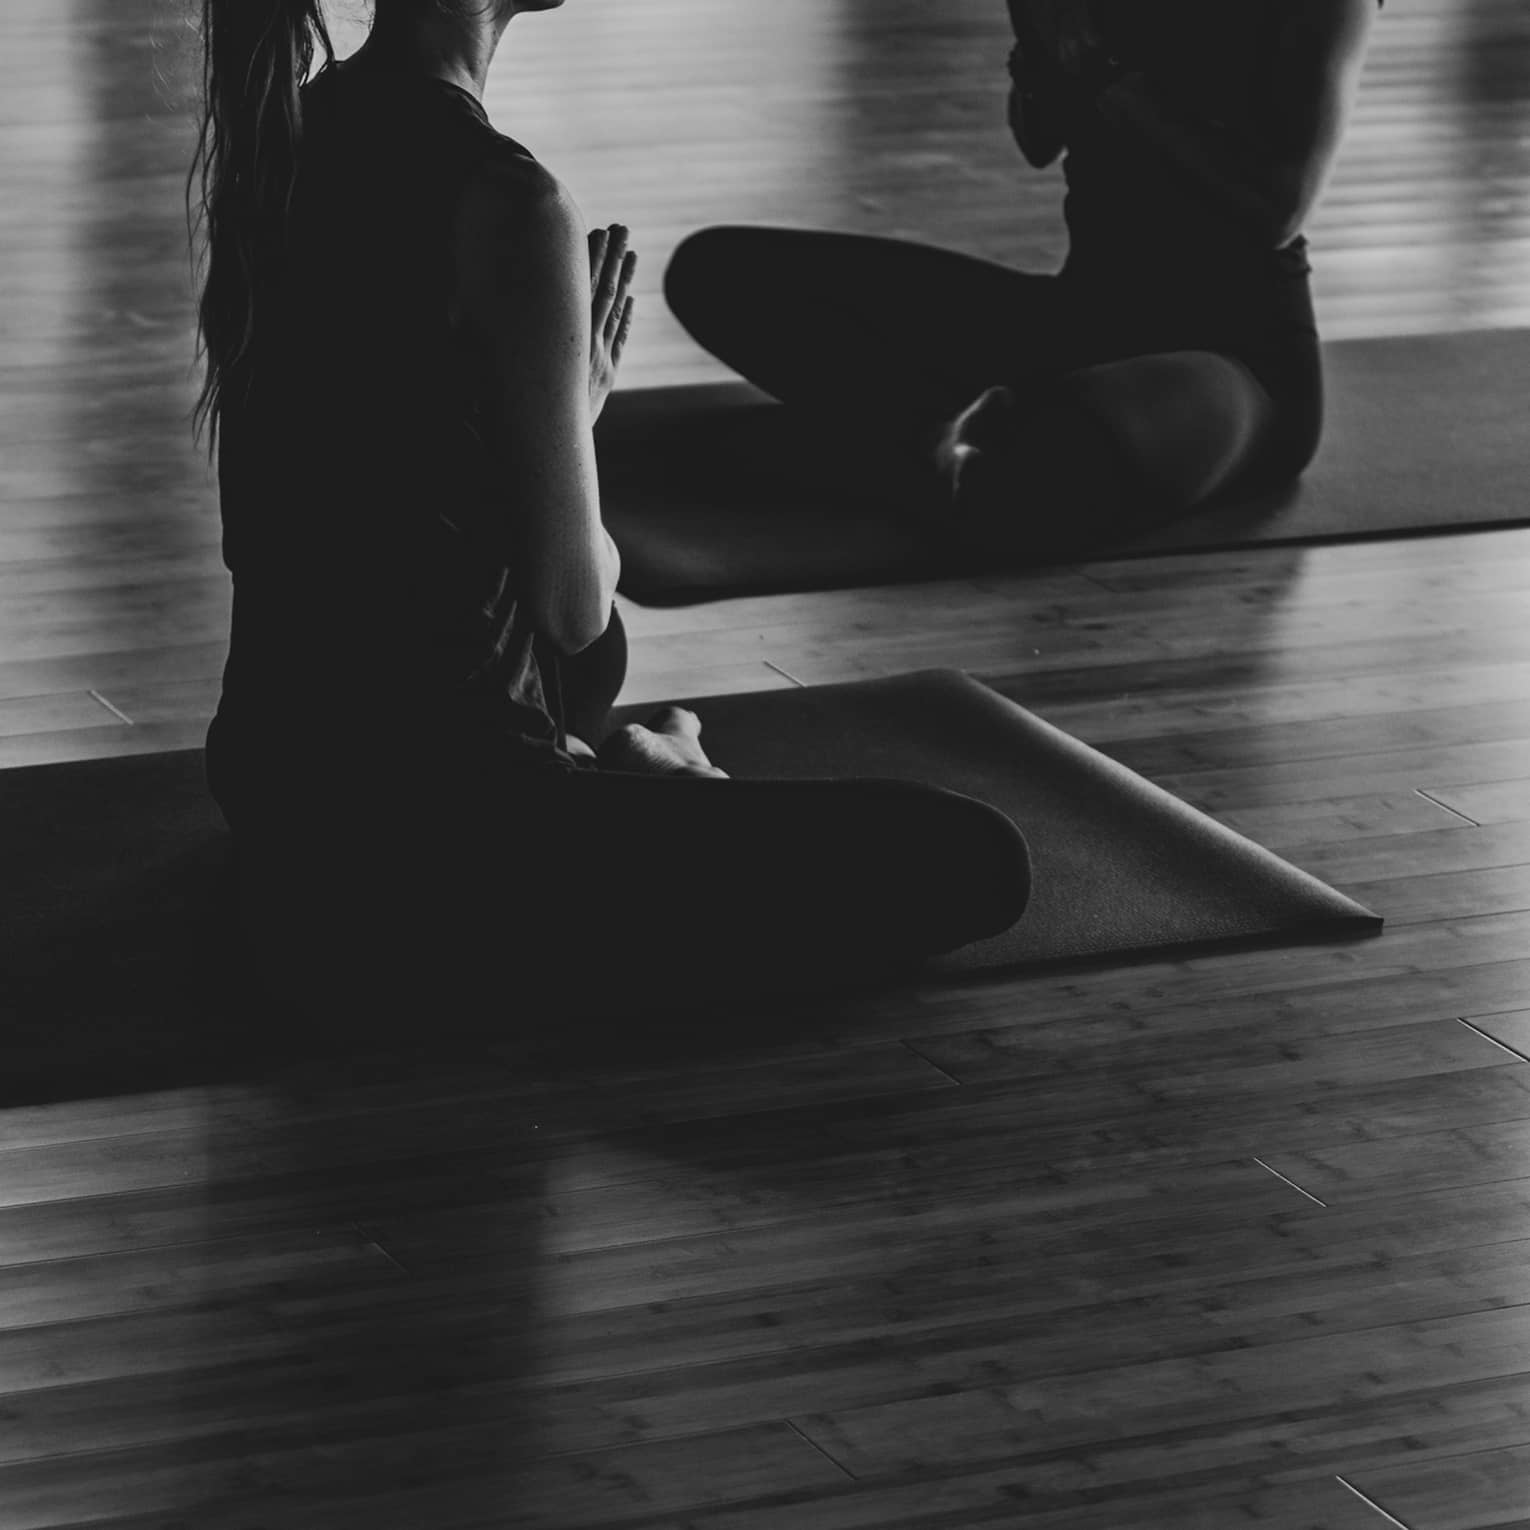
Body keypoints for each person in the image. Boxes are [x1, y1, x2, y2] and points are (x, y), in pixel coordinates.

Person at [189, 0, 1031, 1018]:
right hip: (443, 841)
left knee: (600, 660)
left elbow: (285, 520)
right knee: (972, 861)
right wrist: (574, 419)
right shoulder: (506, 197)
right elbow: (568, 604)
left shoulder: (287, 131)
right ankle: (654, 778)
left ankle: (602, 779)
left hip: (276, 781)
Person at [664, 0, 1382, 561]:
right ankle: (943, 444)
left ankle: (931, 440)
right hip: (1081, 320)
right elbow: (1039, 140)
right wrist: (1044, 39)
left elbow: (1277, 210)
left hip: (1233, 363)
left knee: (1042, 475)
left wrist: (1098, 69)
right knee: (714, 271)